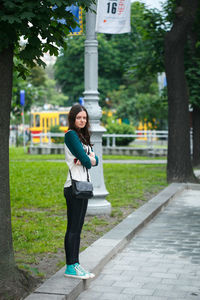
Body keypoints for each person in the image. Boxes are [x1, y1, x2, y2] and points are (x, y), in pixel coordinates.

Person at [63, 104, 98, 279]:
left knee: (78, 227)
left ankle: (75, 264)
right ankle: (71, 266)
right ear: (73, 119)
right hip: (73, 187)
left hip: (83, 186)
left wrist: (88, 159)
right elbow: (86, 160)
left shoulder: (83, 138)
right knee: (73, 228)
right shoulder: (70, 136)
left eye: (84, 118)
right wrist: (87, 159)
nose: (82, 120)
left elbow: (96, 160)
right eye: (79, 118)